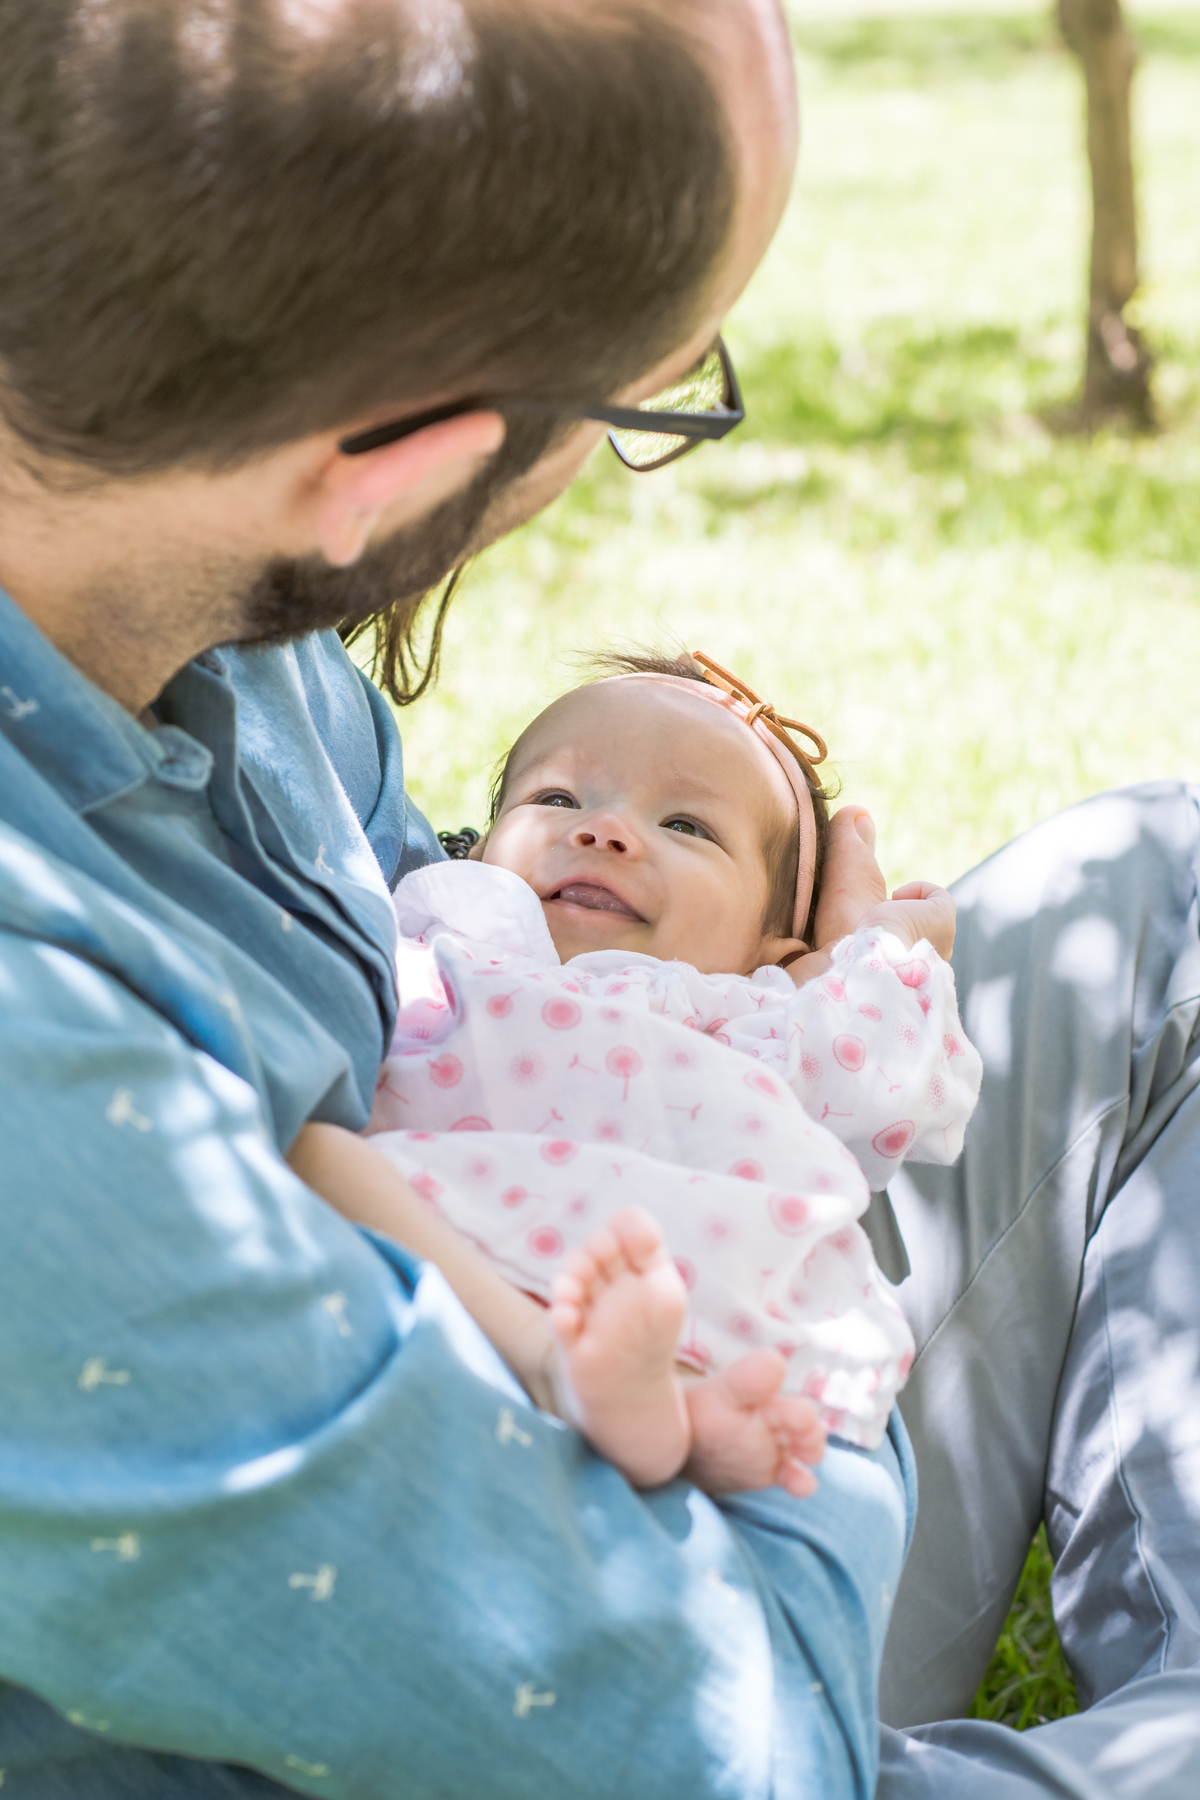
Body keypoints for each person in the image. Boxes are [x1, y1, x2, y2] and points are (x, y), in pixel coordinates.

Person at [0, 3, 1197, 1798]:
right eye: (654, 396)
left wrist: (787, 1014)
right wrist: (792, 1265)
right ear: (394, 465)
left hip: (648, 1368)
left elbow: (438, 931)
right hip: (659, 1661)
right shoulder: (49, 1132)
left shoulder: (222, 620)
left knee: (1168, 882)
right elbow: (742, 1738)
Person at [290, 649, 979, 1496]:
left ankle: (680, 1405)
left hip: (669, 1276)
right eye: (558, 798)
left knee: (699, 1322)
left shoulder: (744, 1015)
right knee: (315, 1151)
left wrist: (875, 941)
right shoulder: (448, 937)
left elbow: (878, 1078)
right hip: (452, 1231)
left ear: (774, 948)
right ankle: (608, 1388)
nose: (604, 830)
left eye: (686, 825)